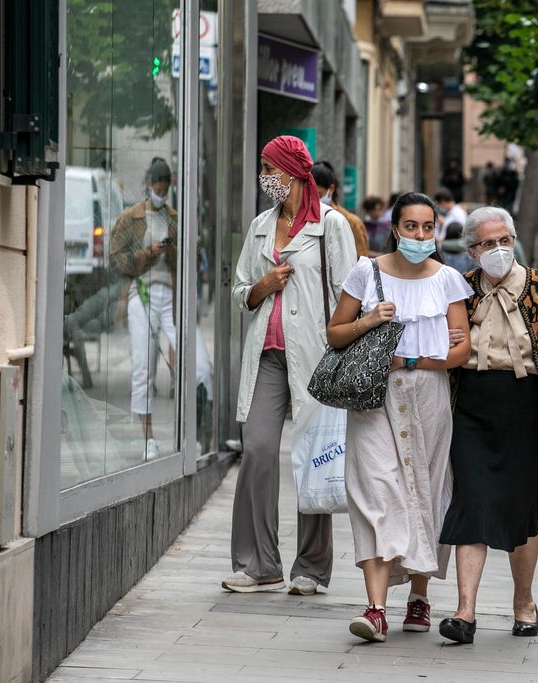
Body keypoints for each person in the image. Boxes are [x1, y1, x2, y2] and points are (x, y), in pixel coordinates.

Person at [326, 192, 473, 643]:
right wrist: (370, 321)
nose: (420, 236)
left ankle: (419, 598)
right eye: (411, 227)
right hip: (373, 395)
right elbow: (334, 334)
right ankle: (375, 609)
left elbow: (461, 350)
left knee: (426, 489)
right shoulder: (365, 271)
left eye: (428, 228)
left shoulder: (448, 279)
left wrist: (415, 362)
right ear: (395, 228)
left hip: (427, 393)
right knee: (377, 490)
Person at [438, 206, 538, 644]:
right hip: (473, 407)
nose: (498, 249)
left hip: (528, 408)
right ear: (472, 252)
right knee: (472, 501)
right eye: (487, 243)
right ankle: (465, 612)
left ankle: (524, 603)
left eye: (504, 240)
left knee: (522, 511)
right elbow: (443, 353)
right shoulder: (461, 291)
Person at [224, 135, 358, 595]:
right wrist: (262, 285)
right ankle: (258, 563)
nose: (265, 179)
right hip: (267, 355)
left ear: (292, 172)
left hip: (317, 357)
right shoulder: (262, 225)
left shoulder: (332, 225)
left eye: (269, 169)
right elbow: (240, 290)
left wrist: (339, 348)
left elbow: (350, 294)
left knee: (314, 454)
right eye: (262, 169)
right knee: (258, 449)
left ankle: (311, 568)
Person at [109, 158, 214, 460]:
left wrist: (187, 252)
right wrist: (147, 254)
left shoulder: (174, 218)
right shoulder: (131, 218)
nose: (161, 193)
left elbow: (189, 267)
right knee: (143, 368)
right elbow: (116, 262)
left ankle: (194, 433)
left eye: (165, 189)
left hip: (171, 298)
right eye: (158, 188)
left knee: (199, 365)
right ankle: (148, 439)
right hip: (140, 295)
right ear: (148, 185)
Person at [311, 161, 368, 259]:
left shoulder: (352, 222)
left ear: (331, 188)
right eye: (310, 196)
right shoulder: (305, 218)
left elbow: (361, 261)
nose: (315, 200)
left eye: (319, 195)